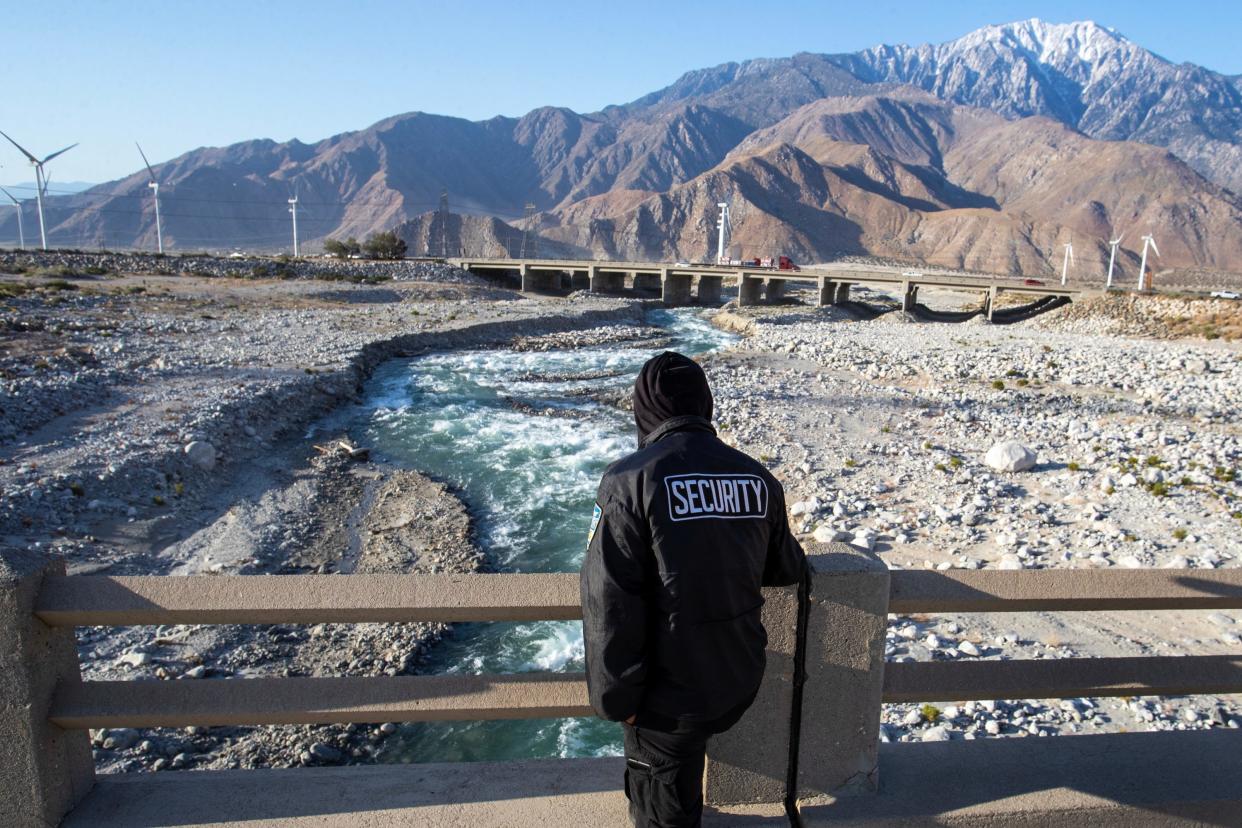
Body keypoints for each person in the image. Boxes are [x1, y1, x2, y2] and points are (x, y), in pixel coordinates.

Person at [580, 351, 807, 828]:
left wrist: (617, 703)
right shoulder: (757, 477)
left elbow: (609, 604)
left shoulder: (627, 481)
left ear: (644, 409)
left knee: (662, 808)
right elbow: (787, 568)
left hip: (667, 701)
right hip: (738, 677)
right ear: (705, 404)